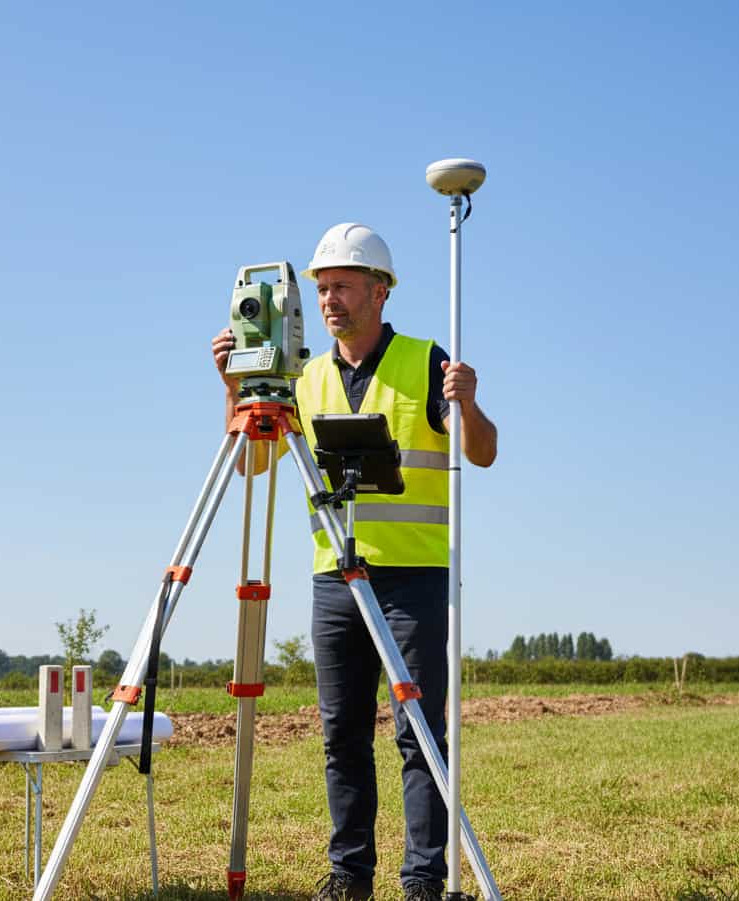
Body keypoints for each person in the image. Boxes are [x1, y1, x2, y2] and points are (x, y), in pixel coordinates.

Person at [211, 223, 497, 901]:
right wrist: (233, 389)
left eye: (341, 286)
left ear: (379, 291)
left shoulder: (425, 360)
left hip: (412, 579)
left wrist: (469, 401)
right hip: (334, 581)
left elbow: (482, 452)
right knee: (341, 735)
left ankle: (423, 879)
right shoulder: (304, 377)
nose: (328, 300)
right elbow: (253, 463)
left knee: (419, 735)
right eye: (321, 289)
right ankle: (350, 874)